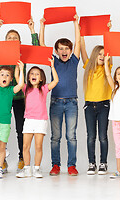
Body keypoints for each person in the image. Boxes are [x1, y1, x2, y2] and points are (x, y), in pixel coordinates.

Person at [0, 17, 40, 173]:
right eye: (9, 38)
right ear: (5, 41)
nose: (12, 39)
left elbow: (37, 50)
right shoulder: (0, 53)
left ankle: (22, 159)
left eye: (15, 38)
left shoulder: (23, 53)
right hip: (2, 97)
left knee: (20, 129)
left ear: (19, 41)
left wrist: (32, 30)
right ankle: (1, 161)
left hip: (19, 97)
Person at [39, 15, 80, 176]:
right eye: (61, 49)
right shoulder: (53, 62)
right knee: (55, 137)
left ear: (70, 51)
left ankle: (71, 166)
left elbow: (78, 41)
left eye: (66, 48)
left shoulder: (74, 61)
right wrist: (42, 26)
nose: (64, 51)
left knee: (71, 136)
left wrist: (75, 23)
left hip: (71, 103)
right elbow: (42, 45)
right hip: (56, 102)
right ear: (56, 51)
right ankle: (55, 165)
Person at [16, 59, 59, 178]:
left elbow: (56, 80)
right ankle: (27, 169)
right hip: (29, 120)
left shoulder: (44, 88)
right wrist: (20, 68)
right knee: (25, 146)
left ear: (41, 78)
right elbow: (16, 77)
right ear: (28, 77)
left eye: (37, 74)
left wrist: (52, 66)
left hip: (41, 121)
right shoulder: (26, 88)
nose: (34, 75)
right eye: (32, 73)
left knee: (38, 146)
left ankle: (36, 169)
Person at [81, 27, 112, 175]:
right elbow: (82, 49)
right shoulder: (88, 66)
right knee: (91, 136)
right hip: (89, 106)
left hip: (104, 105)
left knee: (103, 136)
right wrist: (80, 34)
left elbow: (110, 50)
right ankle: (91, 163)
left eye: (104, 54)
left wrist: (108, 32)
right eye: (99, 54)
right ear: (94, 55)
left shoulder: (108, 67)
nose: (102, 56)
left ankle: (103, 163)